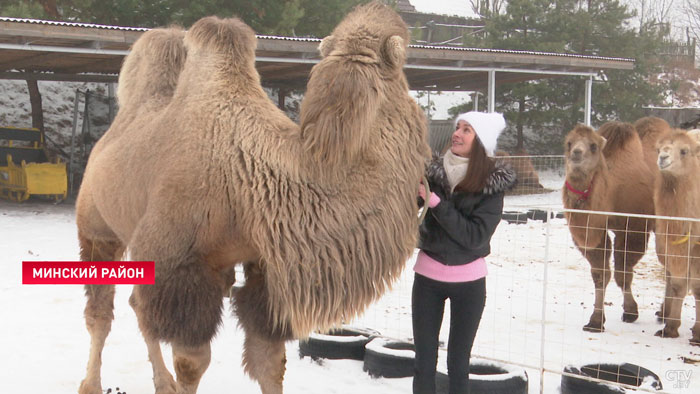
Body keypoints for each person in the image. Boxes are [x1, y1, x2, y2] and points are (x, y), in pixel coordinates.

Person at [413, 111, 516, 394]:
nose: (456, 133)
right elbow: (410, 220)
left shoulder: (492, 186)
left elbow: (475, 237)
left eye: (467, 129)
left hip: (469, 285)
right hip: (427, 280)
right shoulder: (430, 174)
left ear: (480, 141)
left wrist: (436, 203)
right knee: (423, 361)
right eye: (458, 127)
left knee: (458, 363)